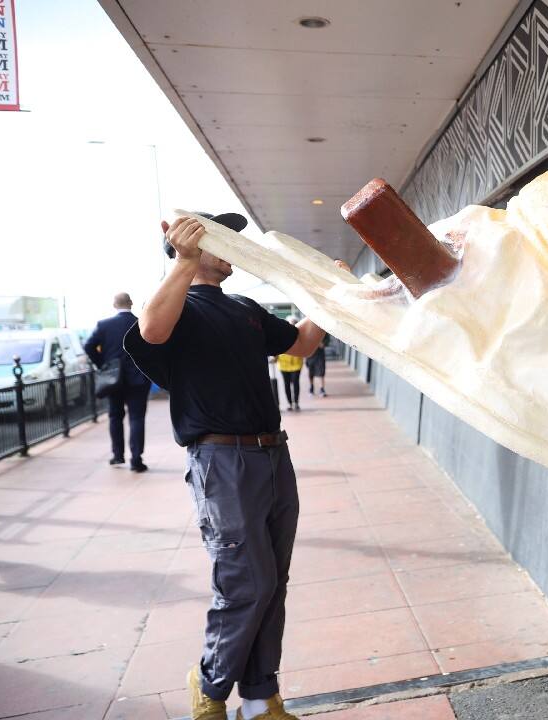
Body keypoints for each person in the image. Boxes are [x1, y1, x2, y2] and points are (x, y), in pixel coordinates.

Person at [124, 212, 345, 720]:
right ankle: (209, 684)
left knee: (274, 581)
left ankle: (261, 698)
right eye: (220, 240)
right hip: (223, 460)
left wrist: (329, 296)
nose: (232, 249)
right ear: (191, 249)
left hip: (273, 455)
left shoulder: (245, 308)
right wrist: (183, 262)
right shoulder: (175, 307)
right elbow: (152, 330)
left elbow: (304, 343)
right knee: (248, 580)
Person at [84, 292, 152, 472]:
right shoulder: (141, 322)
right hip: (138, 379)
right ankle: (136, 460)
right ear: (131, 303)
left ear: (114, 305)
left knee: (115, 417)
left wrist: (103, 365)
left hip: (113, 379)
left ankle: (117, 455)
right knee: (137, 418)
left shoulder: (104, 325)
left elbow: (88, 346)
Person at [275, 321, 303, 411]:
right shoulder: (279, 334)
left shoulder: (299, 334)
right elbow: (275, 347)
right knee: (286, 384)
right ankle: (290, 403)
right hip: (283, 364)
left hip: (296, 363)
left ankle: (296, 402)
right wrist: (275, 357)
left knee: (295, 382)